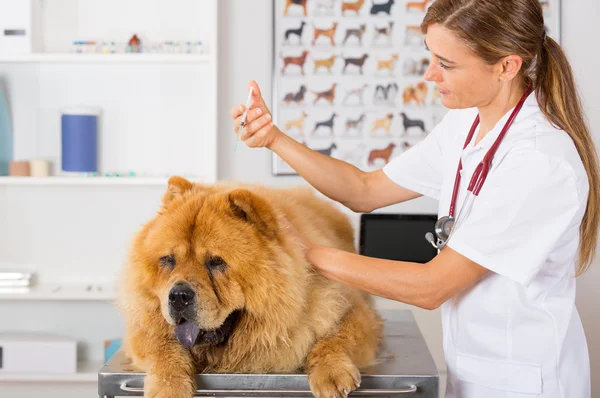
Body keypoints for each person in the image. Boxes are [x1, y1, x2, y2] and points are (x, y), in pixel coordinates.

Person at [230, 0, 598, 397]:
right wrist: (273, 139)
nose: (429, 74)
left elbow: (432, 286)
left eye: (447, 64)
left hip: (526, 381)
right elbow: (363, 190)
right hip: (474, 370)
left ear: (506, 66)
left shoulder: (540, 161)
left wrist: (307, 252)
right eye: (431, 56)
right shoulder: (465, 122)